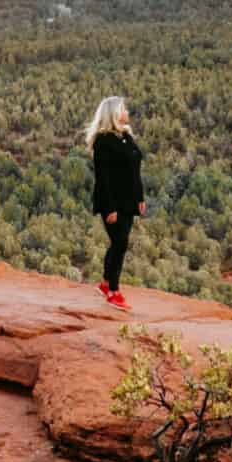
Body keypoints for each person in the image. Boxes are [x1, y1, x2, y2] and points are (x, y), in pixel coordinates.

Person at [86, 94, 145, 307]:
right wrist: (109, 208)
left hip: (128, 201)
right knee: (120, 243)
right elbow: (103, 178)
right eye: (123, 109)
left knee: (119, 243)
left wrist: (140, 197)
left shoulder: (126, 136)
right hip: (111, 202)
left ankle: (105, 283)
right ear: (113, 114)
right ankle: (113, 291)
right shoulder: (103, 141)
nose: (127, 112)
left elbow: (135, 170)